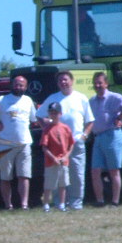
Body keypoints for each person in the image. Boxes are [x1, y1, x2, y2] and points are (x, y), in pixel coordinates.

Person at [35, 70, 94, 209]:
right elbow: (39, 115)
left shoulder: (81, 98)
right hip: (57, 145)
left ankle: (76, 203)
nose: (63, 82)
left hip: (76, 142)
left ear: (72, 81)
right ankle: (59, 203)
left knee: (77, 174)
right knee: (58, 175)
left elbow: (90, 120)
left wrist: (84, 135)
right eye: (60, 80)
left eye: (65, 79)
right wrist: (47, 129)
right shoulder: (52, 98)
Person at [88, 71, 122, 206]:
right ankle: (100, 201)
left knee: (113, 171)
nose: (98, 85)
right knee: (95, 170)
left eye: (100, 83)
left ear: (106, 84)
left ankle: (115, 201)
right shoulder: (91, 101)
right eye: (96, 83)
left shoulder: (114, 97)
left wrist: (120, 118)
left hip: (112, 136)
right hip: (98, 137)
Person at [0, 74, 38, 210]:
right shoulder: (1, 100)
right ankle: (8, 205)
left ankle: (24, 205)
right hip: (5, 143)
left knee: (24, 175)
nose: (18, 87)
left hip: (24, 143)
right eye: (16, 84)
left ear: (25, 87)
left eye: (21, 85)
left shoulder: (28, 101)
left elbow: (34, 119)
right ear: (12, 85)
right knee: (5, 177)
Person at [40, 101, 74, 212]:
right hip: (51, 162)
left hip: (63, 161)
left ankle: (62, 204)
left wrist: (66, 156)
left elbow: (71, 144)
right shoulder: (47, 129)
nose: (54, 115)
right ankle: (46, 205)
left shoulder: (65, 128)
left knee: (63, 184)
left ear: (60, 114)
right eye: (51, 113)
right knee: (49, 185)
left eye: (56, 113)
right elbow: (44, 147)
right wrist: (53, 158)